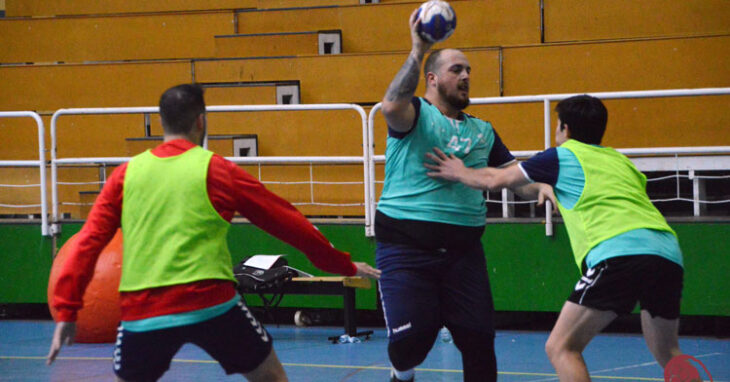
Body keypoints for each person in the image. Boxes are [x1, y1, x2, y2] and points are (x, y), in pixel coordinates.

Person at [46, 83, 381, 382]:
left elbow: (88, 243)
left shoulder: (124, 175)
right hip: (211, 303)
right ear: (201, 121)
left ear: (162, 122)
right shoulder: (218, 171)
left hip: (145, 307)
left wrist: (66, 309)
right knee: (271, 377)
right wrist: (343, 266)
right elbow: (291, 224)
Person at [424, 94, 685, 381]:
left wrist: (460, 171)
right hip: (666, 252)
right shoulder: (621, 161)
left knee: (561, 347)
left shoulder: (561, 155)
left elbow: (494, 179)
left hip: (618, 252)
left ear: (565, 128)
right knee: (668, 350)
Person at [377, 8, 553, 382]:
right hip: (407, 250)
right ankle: (401, 372)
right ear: (432, 78)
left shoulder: (483, 131)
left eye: (468, 70)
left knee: (479, 345)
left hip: (463, 253)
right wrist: (417, 49)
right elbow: (390, 105)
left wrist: (539, 187)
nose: (466, 76)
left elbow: (513, 178)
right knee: (413, 343)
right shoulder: (416, 114)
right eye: (456, 70)